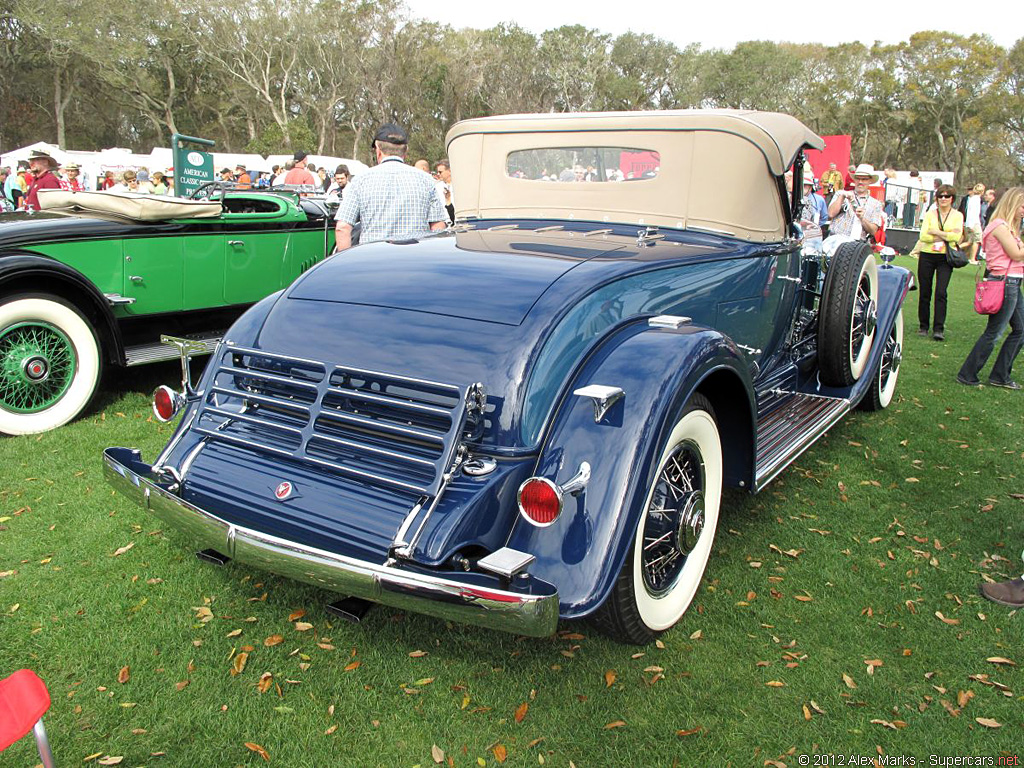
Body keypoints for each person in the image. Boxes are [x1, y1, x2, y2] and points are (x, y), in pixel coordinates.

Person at [334, 122, 447, 251]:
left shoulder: (360, 180)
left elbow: (342, 228)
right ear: (406, 151)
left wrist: (349, 265)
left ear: (378, 150)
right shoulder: (426, 180)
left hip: (372, 261)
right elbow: (438, 227)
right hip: (416, 262)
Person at [957, 187, 1024, 389]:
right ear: (1012, 204)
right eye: (1022, 206)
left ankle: (1000, 375)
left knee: (1020, 330)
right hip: (1005, 282)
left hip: (1012, 281)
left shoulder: (1008, 228)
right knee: (995, 332)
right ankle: (968, 373)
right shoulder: (999, 227)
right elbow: (1016, 254)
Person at [915, 184, 963, 341]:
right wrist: (947, 234)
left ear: (952, 199)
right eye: (940, 196)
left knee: (941, 292)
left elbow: (957, 237)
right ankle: (923, 326)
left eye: (947, 196)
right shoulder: (930, 214)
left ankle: (938, 328)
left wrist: (936, 232)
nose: (943, 199)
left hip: (945, 257)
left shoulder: (957, 216)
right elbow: (923, 236)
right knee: (925, 291)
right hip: (927, 255)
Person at [827, 163, 883, 241]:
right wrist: (842, 197)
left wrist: (862, 218)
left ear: (870, 181)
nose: (860, 182)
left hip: (857, 245)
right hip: (835, 240)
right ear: (854, 180)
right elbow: (830, 214)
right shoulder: (840, 194)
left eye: (864, 179)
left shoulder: (876, 204)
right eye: (858, 178)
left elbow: (873, 231)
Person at [962, 183, 986, 263]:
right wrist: (972, 225)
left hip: (970, 223)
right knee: (977, 240)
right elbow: (974, 213)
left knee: (969, 241)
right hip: (974, 223)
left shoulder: (972, 199)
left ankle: (955, 248)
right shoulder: (976, 200)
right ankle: (972, 258)